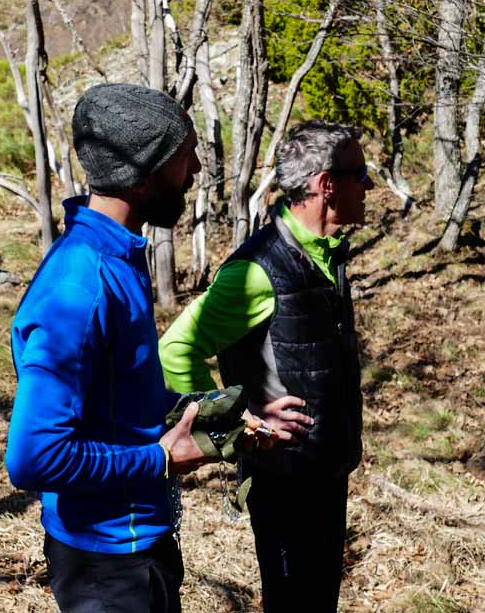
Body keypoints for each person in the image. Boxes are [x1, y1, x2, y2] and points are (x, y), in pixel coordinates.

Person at [5, 83, 217, 613]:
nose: (194, 171)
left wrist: (219, 416)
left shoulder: (117, 253)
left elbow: (114, 396)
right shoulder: (82, 285)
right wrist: (159, 459)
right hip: (108, 564)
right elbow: (33, 457)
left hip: (134, 545)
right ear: (144, 176)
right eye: (184, 156)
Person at [159, 121, 373, 613]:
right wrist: (235, 420)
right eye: (360, 174)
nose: (369, 186)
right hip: (284, 483)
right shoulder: (255, 270)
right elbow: (175, 348)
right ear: (326, 185)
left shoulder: (327, 252)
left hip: (325, 472)